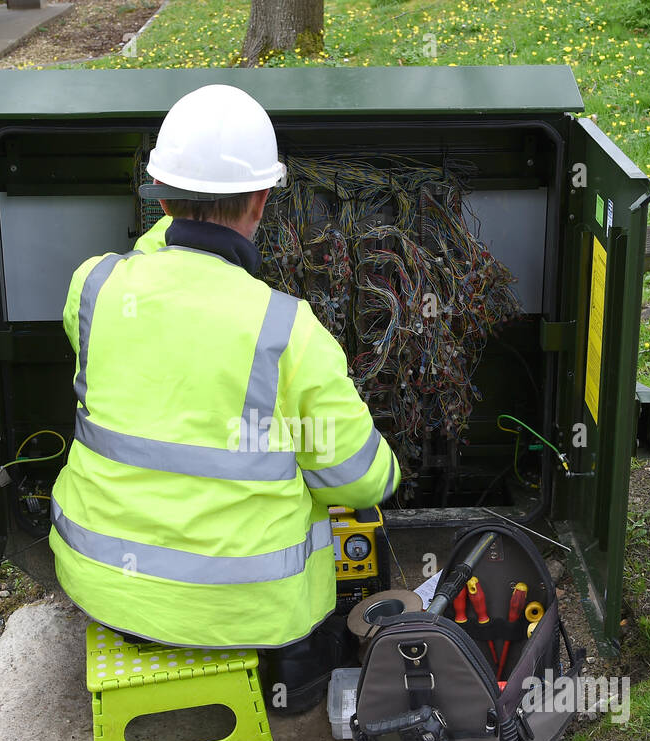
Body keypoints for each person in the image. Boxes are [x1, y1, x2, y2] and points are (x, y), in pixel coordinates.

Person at [50, 84, 399, 709]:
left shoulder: (94, 287)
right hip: (251, 609)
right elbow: (359, 481)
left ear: (159, 195)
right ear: (263, 202)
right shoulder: (287, 329)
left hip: (101, 584)